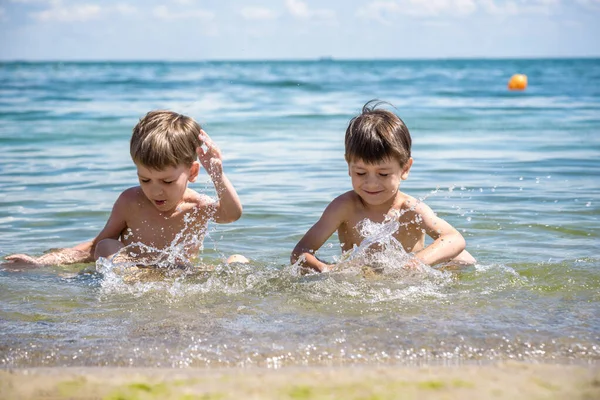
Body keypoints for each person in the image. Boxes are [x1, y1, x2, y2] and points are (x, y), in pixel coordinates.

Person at [5, 110, 246, 267]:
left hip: (178, 277)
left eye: (167, 181)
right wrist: (40, 262)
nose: (155, 191)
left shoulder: (197, 207)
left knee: (237, 261)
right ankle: (134, 280)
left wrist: (217, 174)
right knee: (106, 246)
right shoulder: (131, 202)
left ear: (192, 172)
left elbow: (231, 214)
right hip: (133, 276)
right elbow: (93, 247)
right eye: (145, 179)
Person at [291, 100, 475, 273]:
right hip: (361, 276)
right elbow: (300, 252)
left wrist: (414, 265)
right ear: (349, 167)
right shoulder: (344, 207)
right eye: (361, 173)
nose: (371, 183)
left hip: (405, 277)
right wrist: (327, 271)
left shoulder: (410, 209)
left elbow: (454, 238)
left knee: (464, 259)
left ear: (405, 168)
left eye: (383, 174)